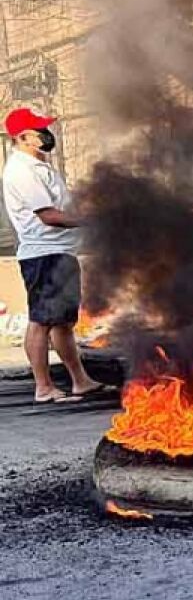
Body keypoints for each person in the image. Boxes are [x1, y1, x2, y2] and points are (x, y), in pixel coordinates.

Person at [1, 108, 110, 404]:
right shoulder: (22, 171)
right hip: (43, 255)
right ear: (23, 137)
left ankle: (80, 381)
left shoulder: (39, 166)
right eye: (40, 131)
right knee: (42, 321)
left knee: (62, 322)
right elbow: (49, 216)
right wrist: (90, 220)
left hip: (60, 251)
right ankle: (44, 387)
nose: (47, 135)